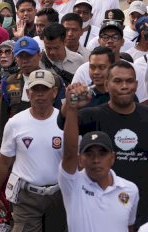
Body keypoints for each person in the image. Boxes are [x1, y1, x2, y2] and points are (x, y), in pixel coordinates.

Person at [60, 70, 141, 230]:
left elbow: (129, 227)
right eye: (89, 153)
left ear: (112, 158)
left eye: (102, 153)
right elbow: (69, 152)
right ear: (80, 159)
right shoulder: (73, 184)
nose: (96, 160)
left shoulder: (130, 190)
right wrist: (71, 108)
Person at [0, 69, 67, 232]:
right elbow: (4, 162)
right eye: (35, 90)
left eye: (44, 90)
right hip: (26, 198)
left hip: (59, 196)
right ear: (27, 93)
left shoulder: (67, 122)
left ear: (54, 92)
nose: (40, 95)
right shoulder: (15, 123)